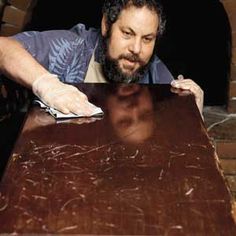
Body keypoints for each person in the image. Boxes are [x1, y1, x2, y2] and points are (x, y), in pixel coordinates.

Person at [0, 0, 203, 117]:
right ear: (106, 25)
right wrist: (47, 85)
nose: (136, 49)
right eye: (127, 33)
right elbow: (3, 47)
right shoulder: (72, 47)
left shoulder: (155, 70)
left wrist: (194, 115)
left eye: (147, 39)